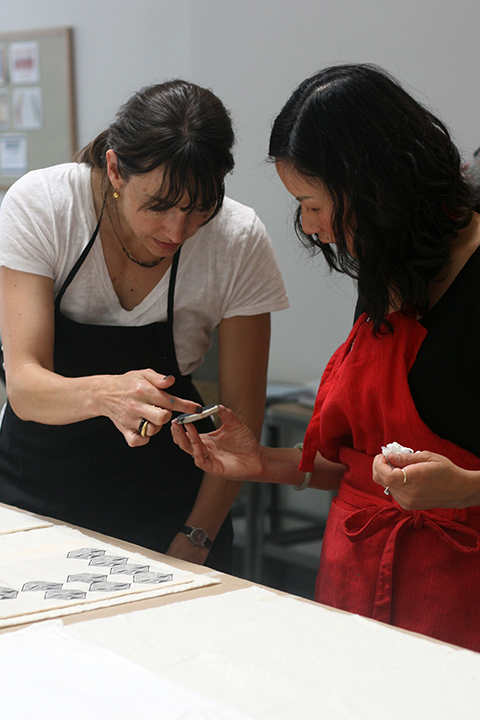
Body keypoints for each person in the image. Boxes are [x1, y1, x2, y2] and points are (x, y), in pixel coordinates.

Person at [172, 64, 480, 651]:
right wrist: (257, 462)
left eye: (313, 204)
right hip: (357, 591)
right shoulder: (395, 269)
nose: (311, 229)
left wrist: (466, 487)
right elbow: (357, 467)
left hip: (460, 608)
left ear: (376, 187)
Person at [0, 80, 289, 572]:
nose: (177, 231)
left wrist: (196, 536)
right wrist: (107, 396)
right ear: (115, 169)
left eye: (200, 208)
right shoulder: (46, 205)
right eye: (158, 205)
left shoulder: (238, 240)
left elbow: (241, 417)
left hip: (170, 501)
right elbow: (26, 386)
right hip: (36, 490)